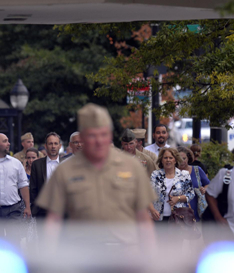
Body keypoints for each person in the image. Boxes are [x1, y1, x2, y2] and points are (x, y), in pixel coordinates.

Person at [36, 103, 156, 246]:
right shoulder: (64, 170)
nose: (99, 141)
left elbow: (143, 219)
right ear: (83, 138)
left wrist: (149, 259)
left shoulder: (132, 166)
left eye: (103, 134)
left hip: (124, 253)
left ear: (110, 135)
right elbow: (53, 221)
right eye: (92, 135)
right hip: (81, 253)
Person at [148, 148, 195, 222]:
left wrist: (178, 198)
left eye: (171, 158)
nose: (168, 160)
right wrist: (152, 210)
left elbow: (191, 194)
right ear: (161, 160)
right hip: (158, 217)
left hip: (178, 218)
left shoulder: (184, 175)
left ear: (175, 160)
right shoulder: (155, 174)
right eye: (165, 158)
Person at [29, 132, 62, 218]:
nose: (53, 146)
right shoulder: (37, 164)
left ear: (60, 146)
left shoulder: (67, 163)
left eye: (56, 143)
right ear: (46, 146)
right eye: (50, 143)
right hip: (42, 211)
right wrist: (35, 208)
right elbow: (33, 188)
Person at [177, 146, 210, 222]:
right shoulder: (172, 172)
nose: (182, 161)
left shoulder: (197, 170)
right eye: (179, 158)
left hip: (196, 213)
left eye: (184, 158)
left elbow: (208, 184)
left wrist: (204, 189)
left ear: (188, 158)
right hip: (177, 214)